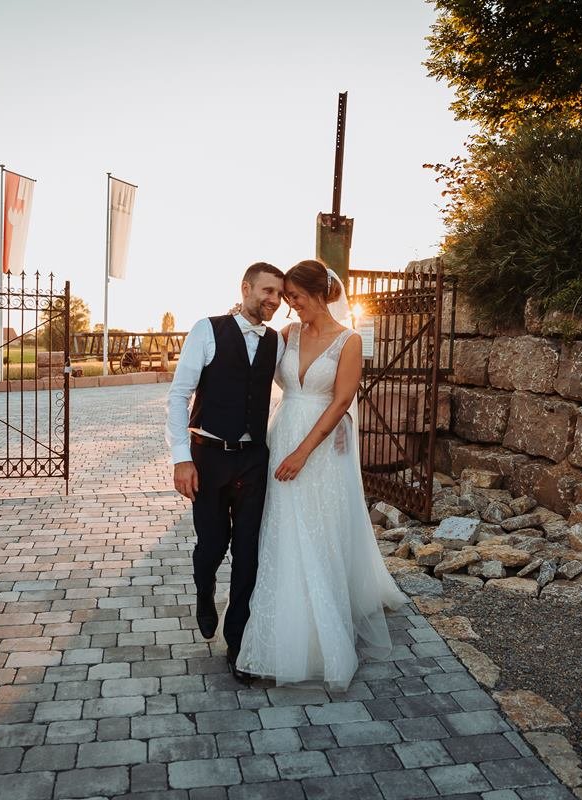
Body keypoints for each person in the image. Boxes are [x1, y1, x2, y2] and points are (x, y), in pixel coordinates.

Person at [236, 259, 408, 691]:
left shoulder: (348, 341)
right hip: (284, 431)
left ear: (319, 294)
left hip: (318, 448)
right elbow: (254, 365)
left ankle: (320, 639)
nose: (289, 306)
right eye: (286, 297)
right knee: (280, 532)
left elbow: (341, 401)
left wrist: (303, 452)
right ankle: (273, 636)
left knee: (317, 533)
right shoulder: (288, 335)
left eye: (295, 297)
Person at [165, 262, 285, 683]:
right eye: (267, 291)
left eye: (279, 295)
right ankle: (203, 590)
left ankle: (238, 643)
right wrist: (182, 458)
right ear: (246, 287)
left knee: (248, 553)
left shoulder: (276, 342)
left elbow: (305, 387)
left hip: (253, 459)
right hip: (208, 457)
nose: (273, 300)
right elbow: (179, 395)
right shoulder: (207, 329)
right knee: (212, 546)